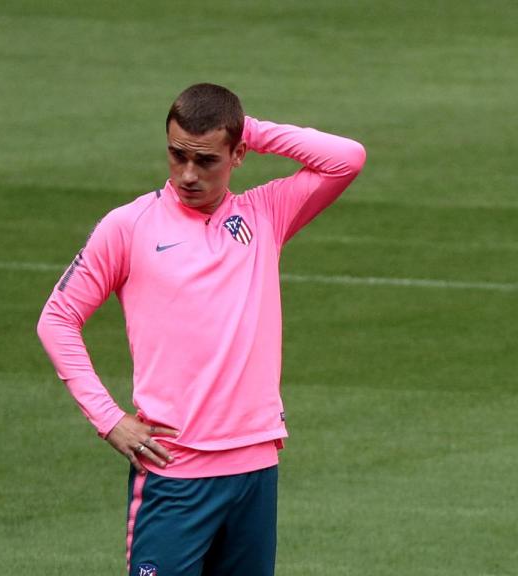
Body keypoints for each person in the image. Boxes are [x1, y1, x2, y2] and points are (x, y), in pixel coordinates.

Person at [37, 83, 366, 575]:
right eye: (177, 155)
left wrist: (247, 127)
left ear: (238, 155)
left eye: (206, 160)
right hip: (174, 471)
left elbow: (346, 158)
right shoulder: (129, 226)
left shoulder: (265, 214)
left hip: (255, 466)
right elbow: (57, 319)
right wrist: (108, 418)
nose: (188, 174)